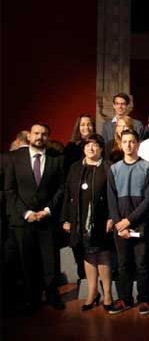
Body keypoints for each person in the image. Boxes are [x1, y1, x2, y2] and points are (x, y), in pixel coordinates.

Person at [4, 123, 66, 314]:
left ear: (49, 137)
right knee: (27, 262)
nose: (40, 137)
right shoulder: (14, 158)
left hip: (47, 219)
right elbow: (10, 189)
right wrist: (27, 213)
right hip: (23, 220)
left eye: (44, 134)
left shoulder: (57, 159)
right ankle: (32, 299)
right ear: (29, 136)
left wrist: (47, 210)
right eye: (36, 133)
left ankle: (52, 295)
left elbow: (61, 188)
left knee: (50, 262)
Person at [61, 134, 114, 312]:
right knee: (88, 255)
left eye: (95, 145)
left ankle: (107, 293)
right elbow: (67, 194)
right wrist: (66, 218)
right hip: (79, 220)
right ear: (83, 148)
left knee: (103, 255)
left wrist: (111, 217)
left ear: (101, 149)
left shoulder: (108, 167)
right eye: (88, 145)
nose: (91, 148)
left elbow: (113, 195)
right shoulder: (75, 168)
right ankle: (92, 292)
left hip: (101, 219)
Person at [107, 130, 149, 315]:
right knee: (123, 264)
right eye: (125, 142)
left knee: (142, 263)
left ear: (137, 144)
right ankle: (125, 300)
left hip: (140, 222)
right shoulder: (114, 169)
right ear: (121, 144)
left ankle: (144, 299)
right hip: (120, 224)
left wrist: (129, 220)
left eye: (132, 142)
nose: (129, 145)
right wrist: (119, 223)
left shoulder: (147, 167)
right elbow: (111, 198)